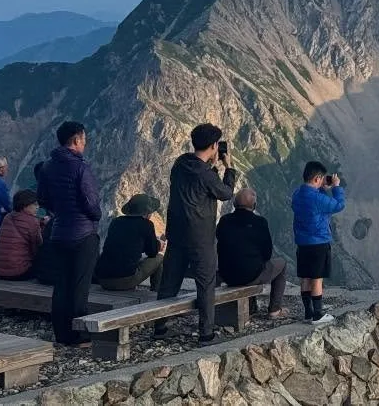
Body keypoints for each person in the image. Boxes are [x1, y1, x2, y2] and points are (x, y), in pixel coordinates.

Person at [154, 123, 237, 346]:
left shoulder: (180, 164)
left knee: (170, 279)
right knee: (206, 283)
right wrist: (228, 168)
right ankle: (206, 333)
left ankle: (159, 326)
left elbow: (199, 184)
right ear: (213, 146)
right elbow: (225, 193)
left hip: (177, 232)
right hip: (200, 236)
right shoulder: (206, 175)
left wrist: (211, 166)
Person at [37, 121, 102, 347]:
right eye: (84, 139)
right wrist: (95, 216)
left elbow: (43, 199)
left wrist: (59, 211)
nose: (85, 143)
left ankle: (62, 334)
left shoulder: (47, 167)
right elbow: (90, 202)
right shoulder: (80, 168)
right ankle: (81, 336)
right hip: (83, 233)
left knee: (61, 284)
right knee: (80, 286)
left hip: (59, 232)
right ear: (76, 140)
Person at [216, 188, 287, 319]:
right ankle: (274, 310)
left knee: (246, 260)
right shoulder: (260, 222)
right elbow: (267, 253)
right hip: (251, 275)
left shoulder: (224, 221)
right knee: (281, 264)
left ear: (234, 204)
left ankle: (252, 306)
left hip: (227, 275)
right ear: (254, 206)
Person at [292, 161, 344, 326]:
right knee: (317, 279)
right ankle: (318, 314)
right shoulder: (317, 199)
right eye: (321, 180)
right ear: (317, 178)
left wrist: (322, 189)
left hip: (302, 242)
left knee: (305, 277)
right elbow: (339, 205)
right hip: (318, 242)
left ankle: (308, 312)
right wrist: (336, 187)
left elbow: (313, 200)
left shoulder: (297, 194)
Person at [95, 194, 165, 291]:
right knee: (160, 258)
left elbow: (128, 244)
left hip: (103, 279)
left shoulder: (116, 222)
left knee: (128, 262)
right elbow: (152, 253)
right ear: (147, 212)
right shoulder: (146, 224)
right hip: (123, 281)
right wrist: (159, 244)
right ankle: (156, 293)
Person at [0, 190, 47, 281]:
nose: (38, 207)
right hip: (18, 272)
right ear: (24, 204)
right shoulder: (32, 221)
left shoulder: (8, 217)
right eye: (34, 204)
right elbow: (36, 248)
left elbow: (21, 226)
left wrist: (39, 223)